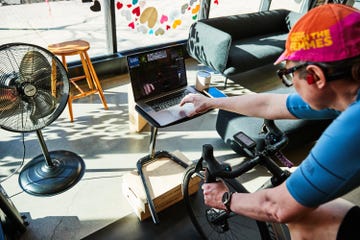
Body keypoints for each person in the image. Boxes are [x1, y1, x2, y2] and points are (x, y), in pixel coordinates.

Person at [180, 4, 360, 240]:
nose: (290, 83)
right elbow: (268, 105)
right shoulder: (343, 91)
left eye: (288, 75)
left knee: (301, 218)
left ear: (314, 76)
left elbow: (279, 208)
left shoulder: (354, 124)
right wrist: (212, 103)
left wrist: (225, 199)